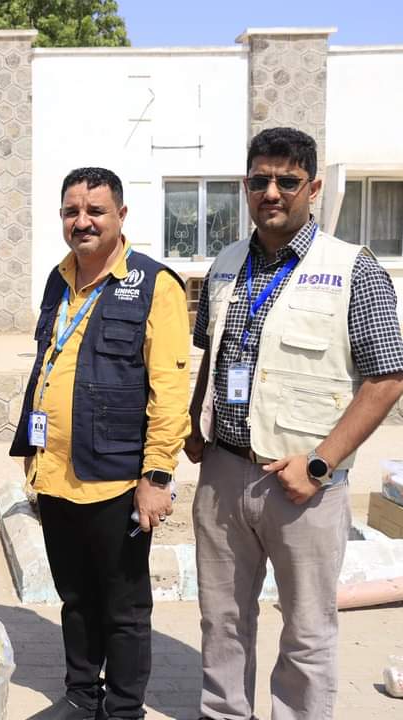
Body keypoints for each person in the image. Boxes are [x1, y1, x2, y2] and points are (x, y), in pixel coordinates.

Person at [186, 127, 403, 720]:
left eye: (288, 181)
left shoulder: (353, 268)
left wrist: (320, 463)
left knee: (307, 631)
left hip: (302, 485)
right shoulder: (225, 265)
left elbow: (387, 378)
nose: (272, 192)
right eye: (260, 180)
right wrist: (196, 420)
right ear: (246, 186)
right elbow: (212, 352)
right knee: (222, 620)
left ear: (314, 187)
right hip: (224, 474)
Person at [10, 167, 190, 720]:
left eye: (95, 211)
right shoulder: (58, 279)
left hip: (117, 480)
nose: (82, 222)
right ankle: (81, 697)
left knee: (124, 607)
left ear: (121, 216)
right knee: (76, 599)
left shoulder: (155, 285)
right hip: (57, 474)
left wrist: (156, 477)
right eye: (72, 212)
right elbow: (48, 366)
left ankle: (124, 710)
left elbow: (169, 391)